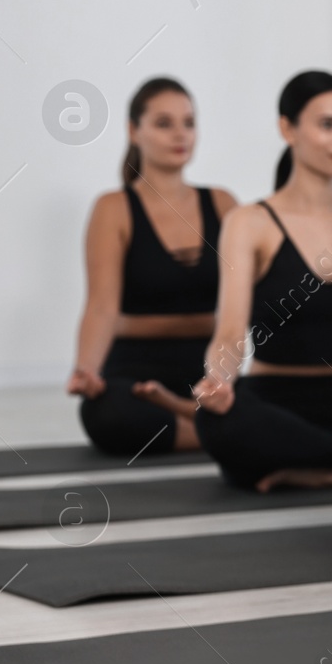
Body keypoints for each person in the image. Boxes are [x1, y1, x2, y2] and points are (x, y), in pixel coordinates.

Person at [191, 71, 332, 491]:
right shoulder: (248, 222)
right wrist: (220, 381)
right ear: (287, 128)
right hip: (275, 402)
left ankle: (324, 466)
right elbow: (230, 332)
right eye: (328, 125)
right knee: (216, 421)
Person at [68, 77, 236, 457]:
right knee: (109, 416)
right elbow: (101, 307)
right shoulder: (113, 208)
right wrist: (87, 371)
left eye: (188, 123)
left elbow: (243, 307)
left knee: (264, 400)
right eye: (164, 123)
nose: (181, 134)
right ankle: (216, 431)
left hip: (207, 370)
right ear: (133, 131)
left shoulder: (224, 204)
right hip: (134, 372)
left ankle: (184, 413)